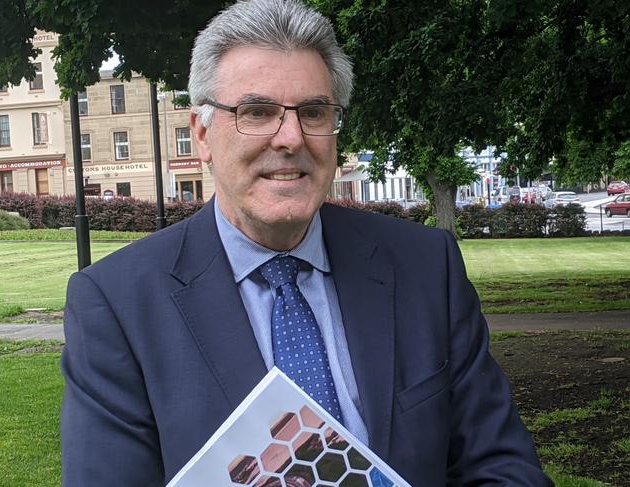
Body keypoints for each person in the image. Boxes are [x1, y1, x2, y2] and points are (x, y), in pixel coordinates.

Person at [60, 0, 553, 485]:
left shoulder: (425, 267)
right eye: (257, 111)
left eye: (313, 112)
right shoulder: (118, 304)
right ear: (203, 134)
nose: (290, 137)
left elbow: (502, 466)